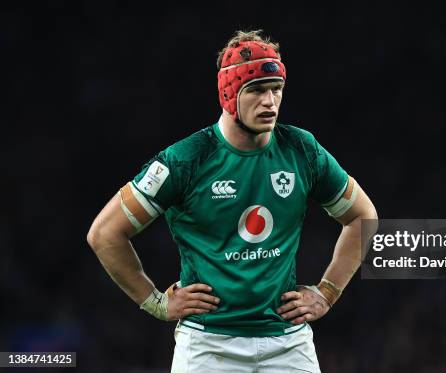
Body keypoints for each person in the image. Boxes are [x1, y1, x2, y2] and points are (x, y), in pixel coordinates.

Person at [87, 29, 377, 372]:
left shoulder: (301, 150)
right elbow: (105, 234)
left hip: (287, 343)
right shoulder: (186, 159)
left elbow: (363, 217)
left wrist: (327, 291)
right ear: (228, 93)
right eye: (256, 91)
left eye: (276, 90)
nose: (270, 102)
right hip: (208, 346)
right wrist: (156, 303)